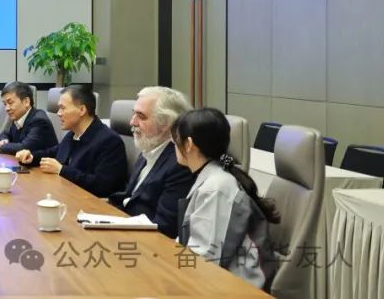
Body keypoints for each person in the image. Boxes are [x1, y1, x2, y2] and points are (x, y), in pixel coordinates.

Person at [171, 107, 279, 289]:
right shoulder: (215, 177)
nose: (173, 146)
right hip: (220, 279)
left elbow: (205, 259)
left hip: (237, 287)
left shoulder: (216, 188)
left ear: (188, 144)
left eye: (175, 141)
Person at [107, 86, 194, 238]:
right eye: (133, 114)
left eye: (141, 116)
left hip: (145, 241)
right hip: (124, 227)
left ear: (166, 123)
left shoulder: (180, 164)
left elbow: (164, 227)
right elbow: (129, 197)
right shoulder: (148, 148)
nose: (132, 122)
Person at [14, 84, 128, 196]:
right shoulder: (73, 133)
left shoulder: (109, 141)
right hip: (67, 194)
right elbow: (54, 152)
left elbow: (102, 186)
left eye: (63, 108)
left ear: (82, 110)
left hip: (90, 203)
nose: (58, 113)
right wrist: (32, 157)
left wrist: (61, 170)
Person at [0, 81, 57, 157]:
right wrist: (4, 140)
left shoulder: (39, 121)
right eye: (5, 104)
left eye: (10, 103)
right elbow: (5, 133)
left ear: (26, 102)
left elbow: (24, 148)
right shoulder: (18, 116)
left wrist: (2, 146)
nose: (7, 108)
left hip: (41, 164)